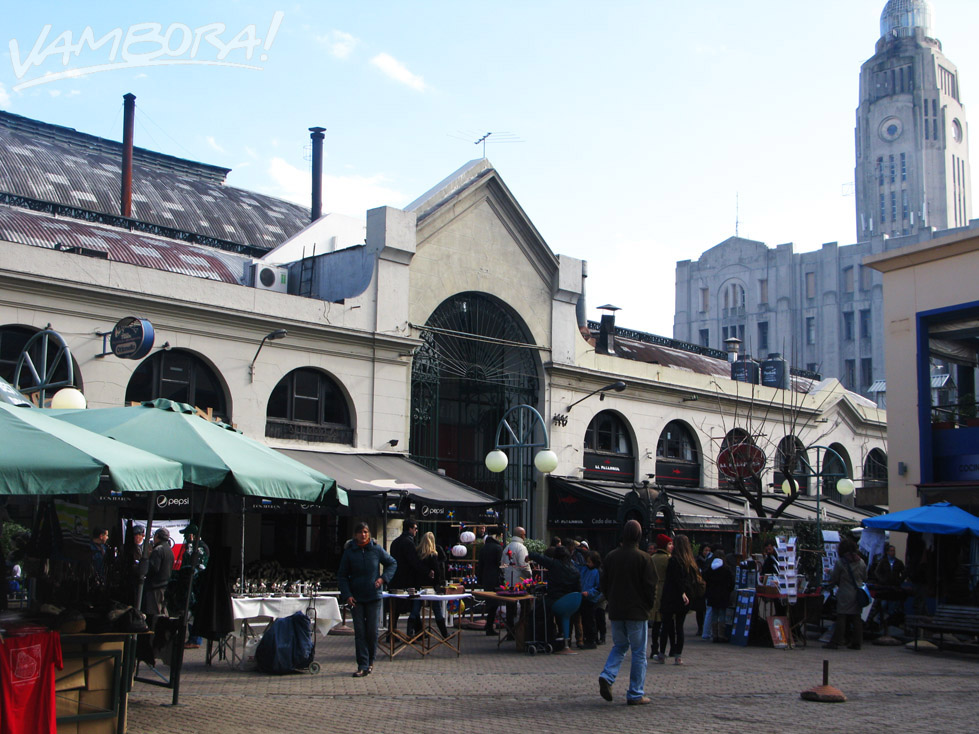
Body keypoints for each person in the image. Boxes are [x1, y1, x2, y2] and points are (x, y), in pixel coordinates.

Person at [597, 519, 657, 706]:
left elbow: (604, 584)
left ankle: (608, 675)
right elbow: (650, 587)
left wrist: (611, 599)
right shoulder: (643, 558)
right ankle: (635, 692)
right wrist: (648, 606)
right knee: (638, 652)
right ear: (639, 536)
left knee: (620, 645)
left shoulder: (611, 557)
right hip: (637, 611)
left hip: (616, 610)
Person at [337, 522, 397, 677]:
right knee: (360, 633)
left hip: (373, 596)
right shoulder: (350, 552)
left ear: (369, 534)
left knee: (372, 631)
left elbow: (392, 563)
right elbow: (342, 575)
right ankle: (362, 665)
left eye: (365, 532)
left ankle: (371, 661)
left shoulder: (376, 549)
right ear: (355, 535)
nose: (363, 535)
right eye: (360, 532)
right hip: (356, 598)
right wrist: (347, 594)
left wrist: (383, 579)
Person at [528, 545, 581, 653]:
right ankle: (566, 642)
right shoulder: (575, 569)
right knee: (566, 617)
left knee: (537, 611)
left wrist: (529, 556)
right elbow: (578, 588)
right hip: (572, 603)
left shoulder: (555, 564)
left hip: (556, 600)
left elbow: (537, 557)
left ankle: (543, 638)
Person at [659, 534, 700, 665]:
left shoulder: (673, 560)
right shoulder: (690, 561)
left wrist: (681, 591)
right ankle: (678, 655)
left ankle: (661, 654)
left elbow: (674, 579)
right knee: (679, 627)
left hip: (671, 596)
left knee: (665, 625)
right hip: (684, 598)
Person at [824, 537, 868, 650]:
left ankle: (837, 641)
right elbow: (865, 577)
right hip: (858, 593)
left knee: (841, 617)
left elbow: (834, 578)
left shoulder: (841, 562)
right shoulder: (861, 561)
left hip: (844, 592)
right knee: (856, 618)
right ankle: (857, 642)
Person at [389, 519, 424, 636]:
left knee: (396, 609)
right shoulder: (409, 543)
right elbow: (413, 562)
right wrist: (424, 571)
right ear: (410, 529)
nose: (416, 531)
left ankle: (392, 632)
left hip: (396, 578)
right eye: (415, 528)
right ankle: (418, 631)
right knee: (413, 604)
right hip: (407, 579)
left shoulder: (395, 542)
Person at [180, 524, 210, 649]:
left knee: (193, 610)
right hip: (197, 583)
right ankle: (194, 637)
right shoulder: (202, 547)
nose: (185, 538)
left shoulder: (196, 547)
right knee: (193, 611)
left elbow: (193, 566)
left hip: (195, 583)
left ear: (191, 535)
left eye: (187, 535)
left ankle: (195, 639)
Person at [417, 531, 450, 638]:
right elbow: (437, 571)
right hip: (431, 587)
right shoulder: (433, 555)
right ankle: (444, 633)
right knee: (437, 610)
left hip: (420, 585)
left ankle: (412, 633)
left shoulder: (418, 554)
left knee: (415, 609)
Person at [649, 533, 671, 662]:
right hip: (665, 590)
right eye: (669, 544)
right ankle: (665, 649)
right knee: (666, 622)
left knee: (656, 623)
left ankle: (654, 648)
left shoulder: (652, 558)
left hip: (654, 589)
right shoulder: (668, 559)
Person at [477, 528, 504, 635]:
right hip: (496, 579)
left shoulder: (484, 548)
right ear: (497, 536)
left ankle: (488, 625)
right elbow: (501, 565)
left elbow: (480, 565)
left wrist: (479, 579)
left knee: (490, 603)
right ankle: (489, 626)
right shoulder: (498, 548)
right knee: (495, 603)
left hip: (486, 578)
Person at [144, 527, 174, 623]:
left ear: (157, 536)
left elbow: (153, 569)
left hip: (155, 587)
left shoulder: (158, 550)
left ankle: (155, 635)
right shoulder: (169, 550)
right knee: (163, 613)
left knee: (154, 615)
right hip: (165, 586)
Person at [874, 543, 907, 627]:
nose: (893, 552)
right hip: (885, 587)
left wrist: (899, 580)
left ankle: (890, 622)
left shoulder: (898, 562)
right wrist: (882, 580)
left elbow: (904, 573)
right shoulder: (883, 562)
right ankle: (881, 621)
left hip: (894, 587)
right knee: (883, 605)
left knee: (893, 606)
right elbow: (877, 572)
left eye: (894, 551)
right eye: (891, 551)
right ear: (887, 552)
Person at [704, 555, 735, 642]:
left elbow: (705, 578)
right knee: (722, 614)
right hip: (723, 595)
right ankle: (721, 635)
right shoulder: (726, 569)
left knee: (714, 614)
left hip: (712, 595)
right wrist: (729, 591)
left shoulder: (710, 569)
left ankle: (714, 635)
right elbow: (732, 582)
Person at [578, 550, 602, 649]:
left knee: (590, 620)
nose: (588, 564)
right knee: (585, 620)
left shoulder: (597, 572)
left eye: (590, 562)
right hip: (584, 597)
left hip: (591, 598)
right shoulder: (585, 569)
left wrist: (589, 593)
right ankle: (588, 638)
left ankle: (591, 640)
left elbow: (598, 588)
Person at [694, 543, 713, 637]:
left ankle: (704, 628)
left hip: (707, 587)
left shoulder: (711, 561)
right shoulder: (698, 561)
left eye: (709, 550)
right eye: (705, 550)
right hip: (699, 587)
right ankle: (700, 628)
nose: (707, 552)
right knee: (700, 609)